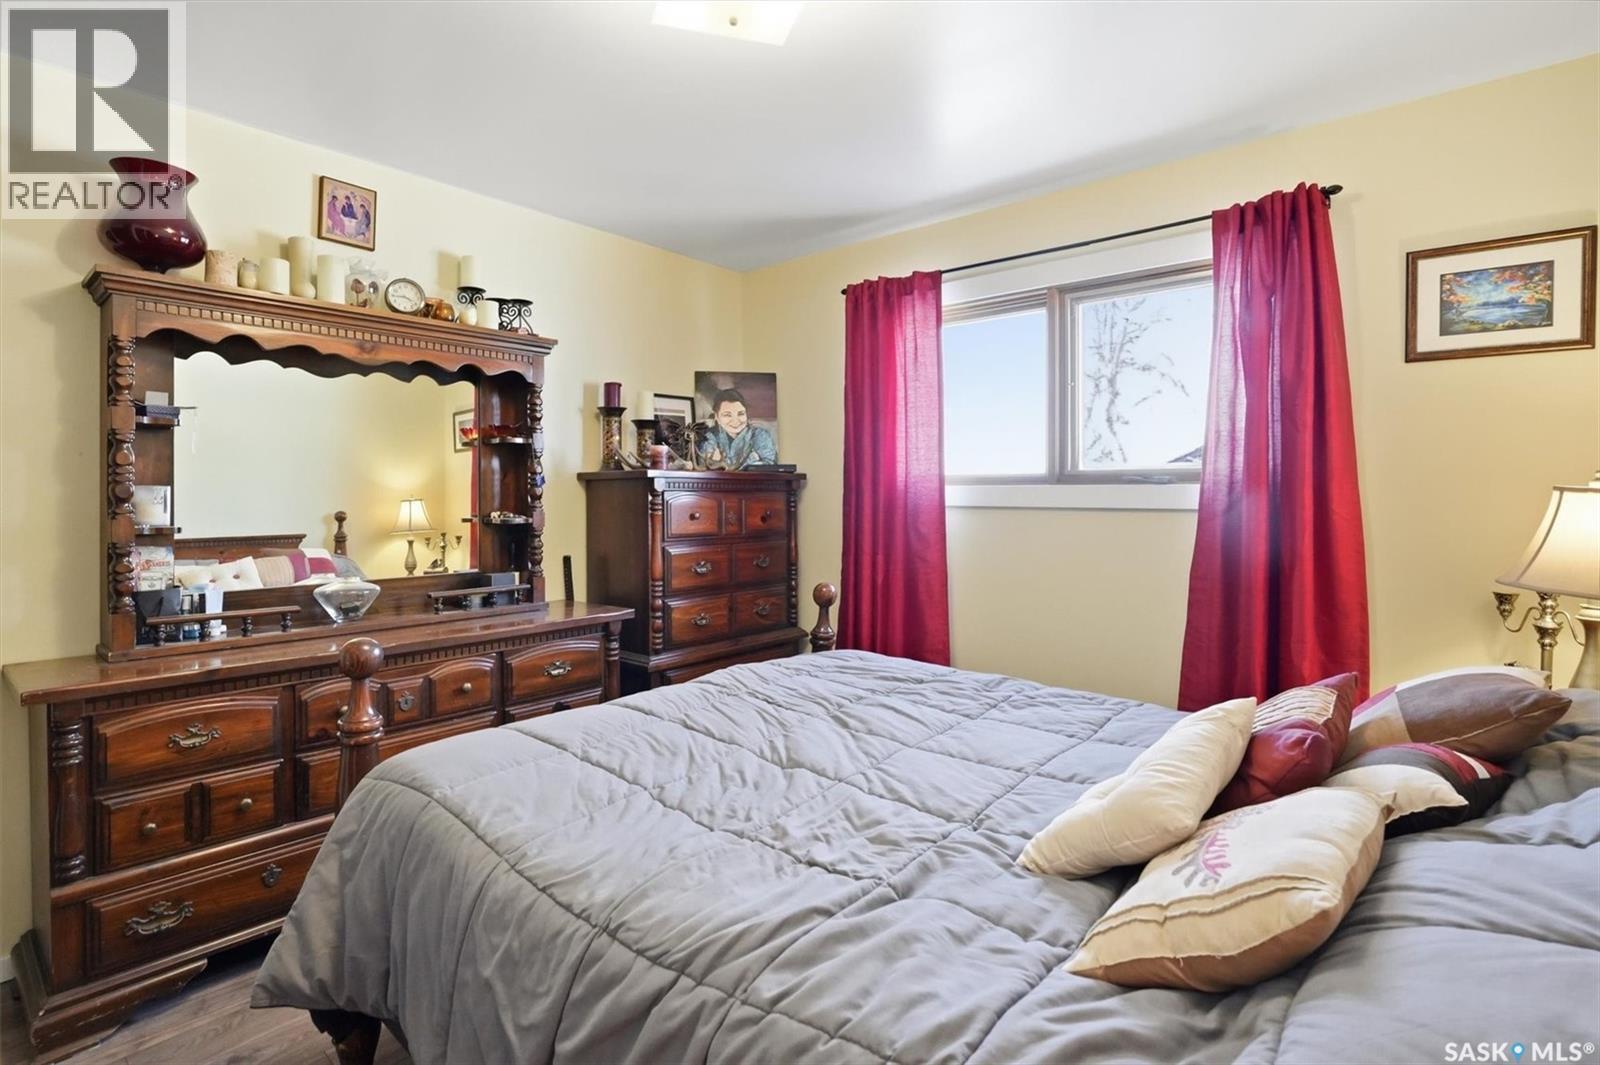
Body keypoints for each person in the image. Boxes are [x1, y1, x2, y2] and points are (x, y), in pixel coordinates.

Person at [698, 388, 777, 468]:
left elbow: (769, 465)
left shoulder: (760, 435)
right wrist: (752, 459)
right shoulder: (710, 436)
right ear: (716, 417)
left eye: (741, 414)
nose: (736, 421)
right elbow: (705, 464)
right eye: (727, 415)